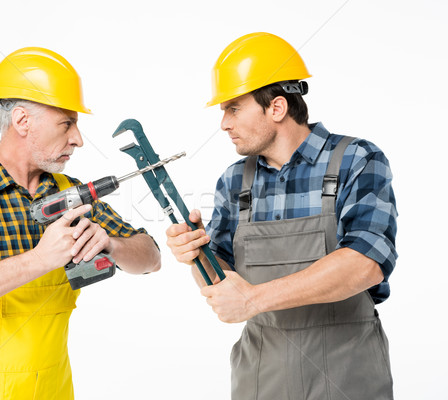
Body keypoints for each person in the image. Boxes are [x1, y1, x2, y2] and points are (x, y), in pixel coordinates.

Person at [0, 47, 161, 400]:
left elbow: (151, 258)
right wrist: (40, 259)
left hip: (54, 390)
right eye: (67, 123)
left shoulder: (71, 195)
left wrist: (111, 243)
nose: (78, 138)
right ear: (22, 121)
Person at [166, 32, 397, 399]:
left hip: (349, 375)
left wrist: (255, 299)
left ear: (276, 108)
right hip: (261, 377)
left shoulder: (357, 160)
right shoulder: (234, 180)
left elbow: (365, 262)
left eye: (233, 108)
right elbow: (223, 285)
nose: (223, 123)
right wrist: (197, 256)